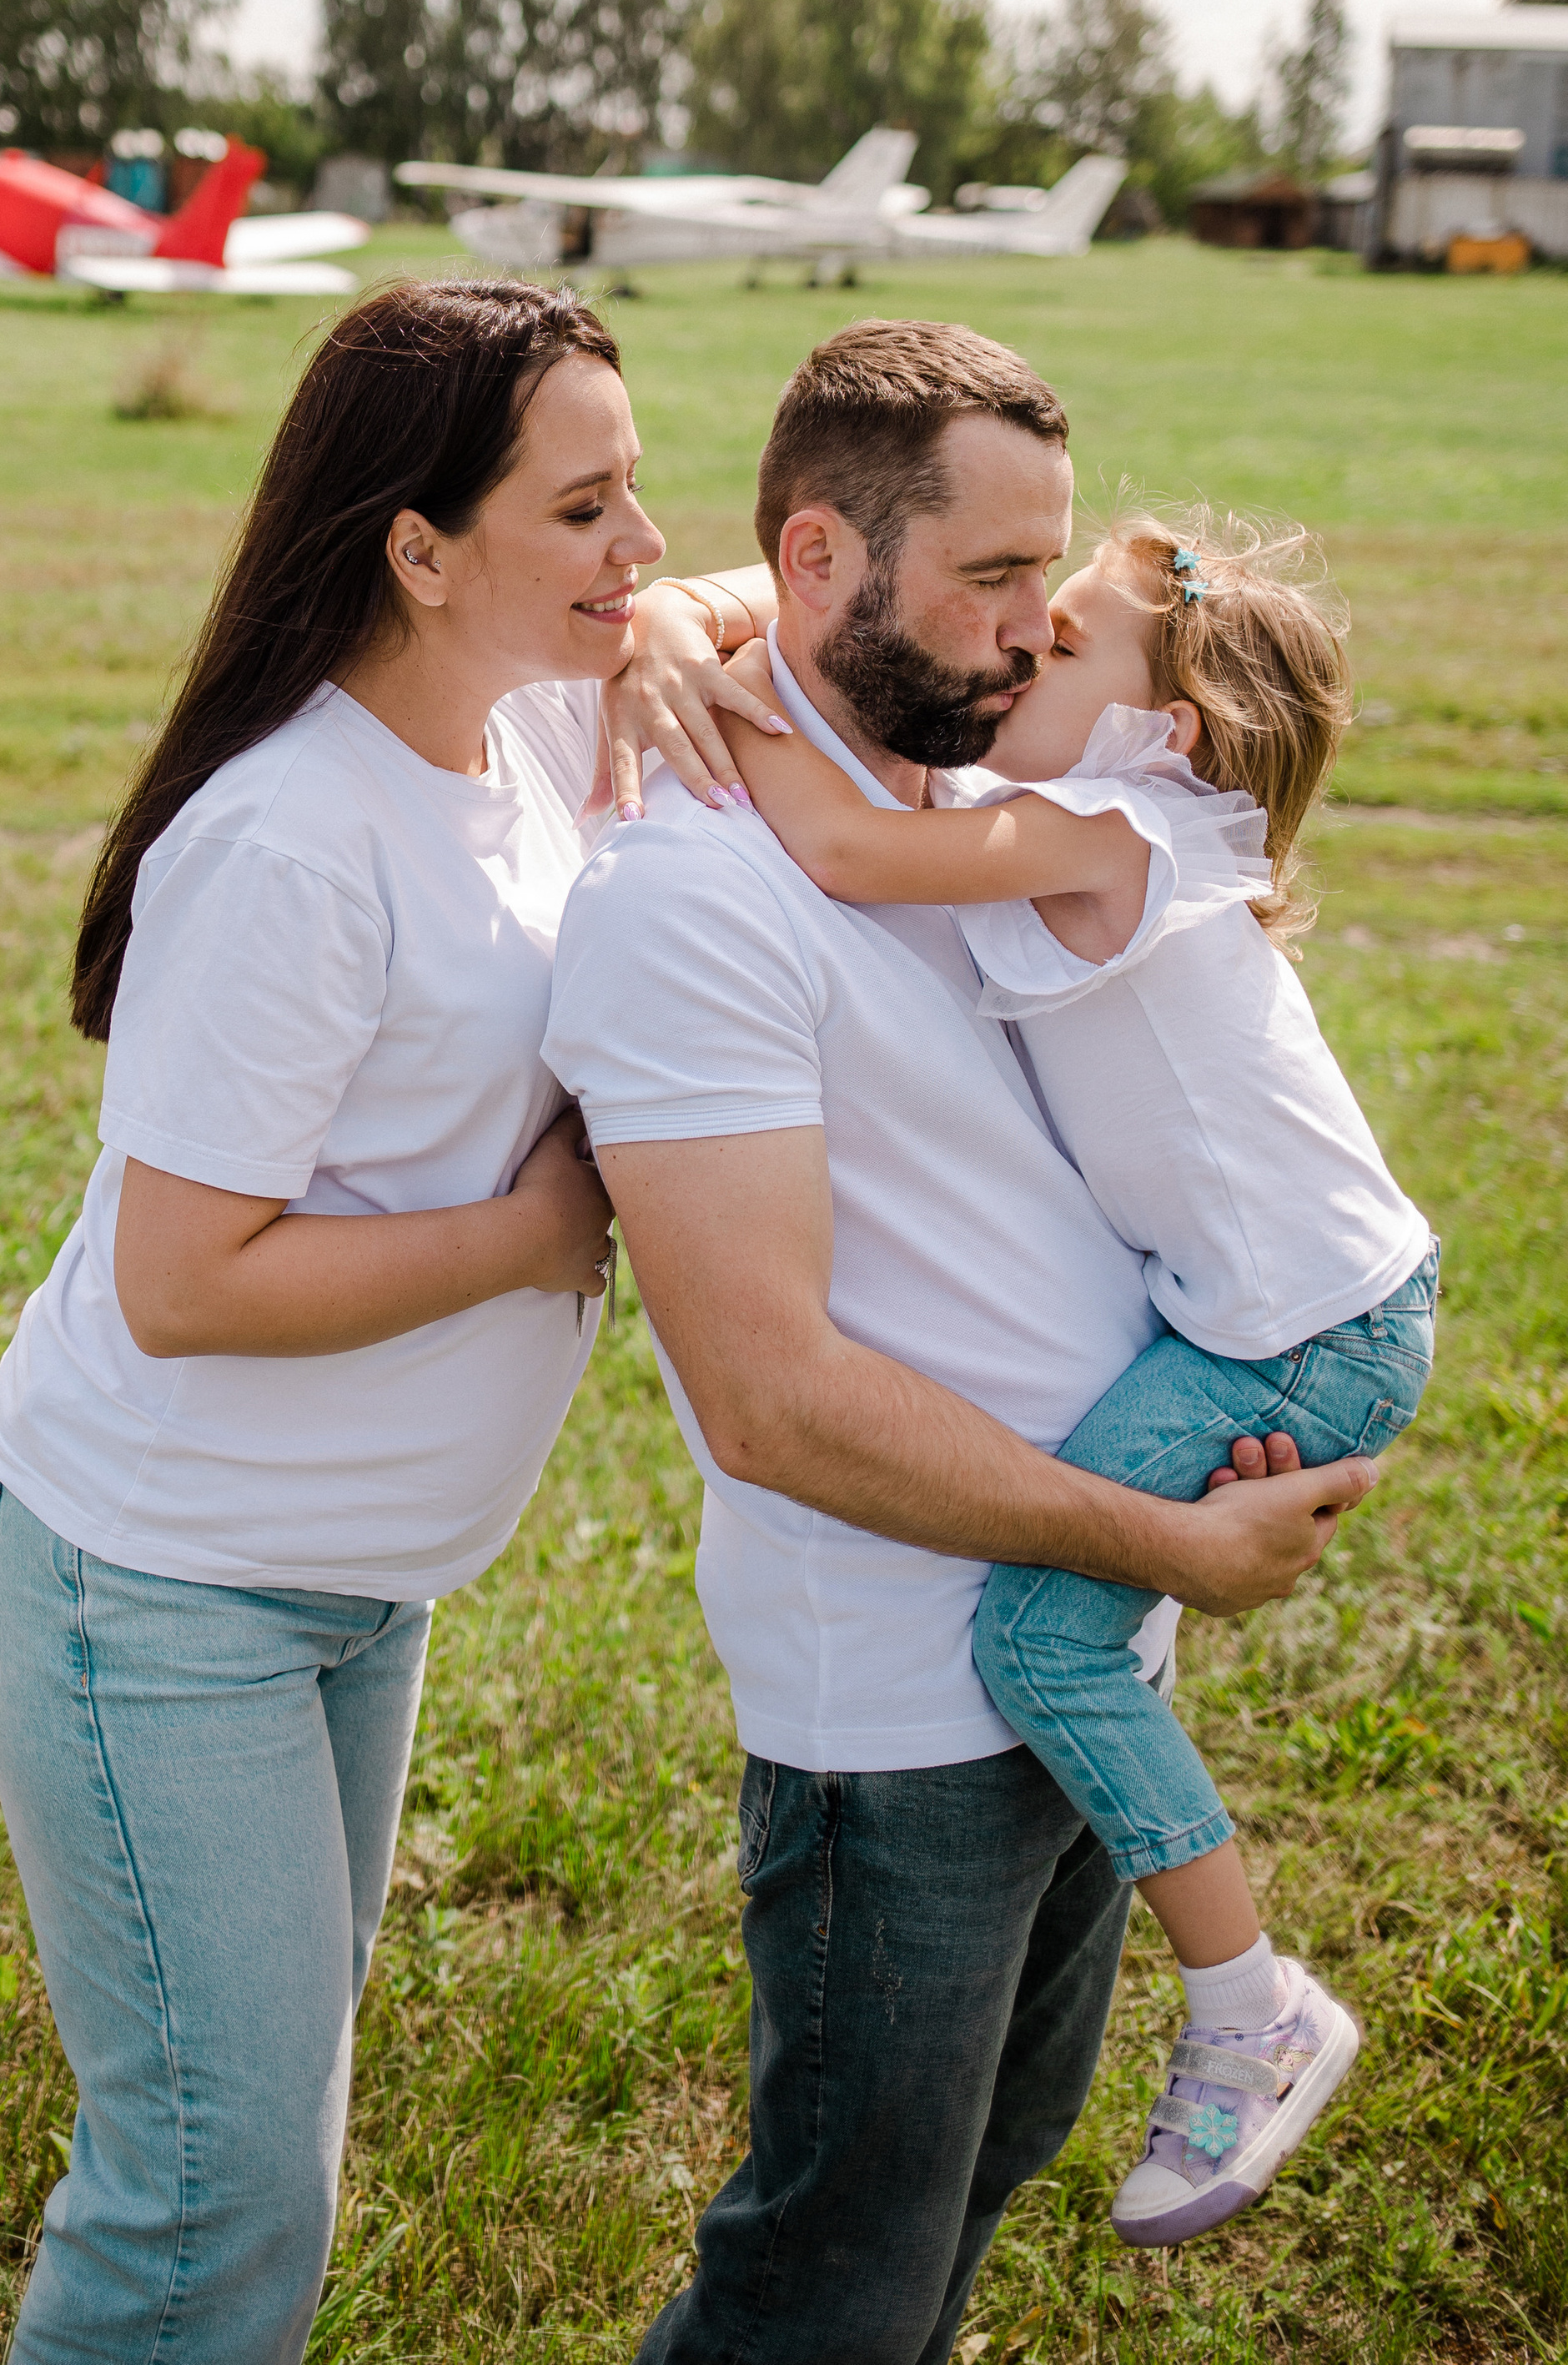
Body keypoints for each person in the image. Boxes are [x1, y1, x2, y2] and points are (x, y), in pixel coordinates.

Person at [541, 320, 1377, 2365]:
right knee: (826, 2282)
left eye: (1045, 579)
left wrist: (689, 601)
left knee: (976, 2190)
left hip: (1083, 1646)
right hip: (904, 1701)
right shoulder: (694, 892)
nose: (1028, 632)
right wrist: (1160, 1543)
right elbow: (767, 1400)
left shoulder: (992, 787)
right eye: (990, 585)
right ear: (825, 564)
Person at [0, 274, 770, 2365]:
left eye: (636, 492)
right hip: (164, 1586)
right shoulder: (294, 845)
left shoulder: (505, 719)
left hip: (348, 1590)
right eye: (585, 511)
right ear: (418, 549)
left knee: (272, 2134)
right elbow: (183, 1278)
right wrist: (534, 1234)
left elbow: (757, 598)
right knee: (206, 2200)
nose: (640, 545)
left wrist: (655, 618)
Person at [725, 503, 1434, 2246]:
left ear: (1158, 730)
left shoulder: (1120, 828)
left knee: (1041, 1630)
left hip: (1301, 1330)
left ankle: (1252, 2010)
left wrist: (722, 677)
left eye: (1047, 650)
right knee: (1068, 1632)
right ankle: (1227, 1991)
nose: (1006, 652)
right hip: (1281, 1307)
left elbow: (836, 842)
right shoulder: (1087, 811)